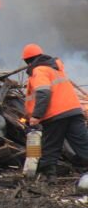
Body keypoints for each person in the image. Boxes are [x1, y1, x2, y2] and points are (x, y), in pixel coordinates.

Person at [22, 43, 88, 184]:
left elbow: (43, 93)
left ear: (27, 61)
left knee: (51, 146)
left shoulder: (39, 70)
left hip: (55, 115)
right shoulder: (56, 68)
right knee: (83, 144)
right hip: (74, 111)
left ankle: (49, 178)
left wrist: (36, 116)